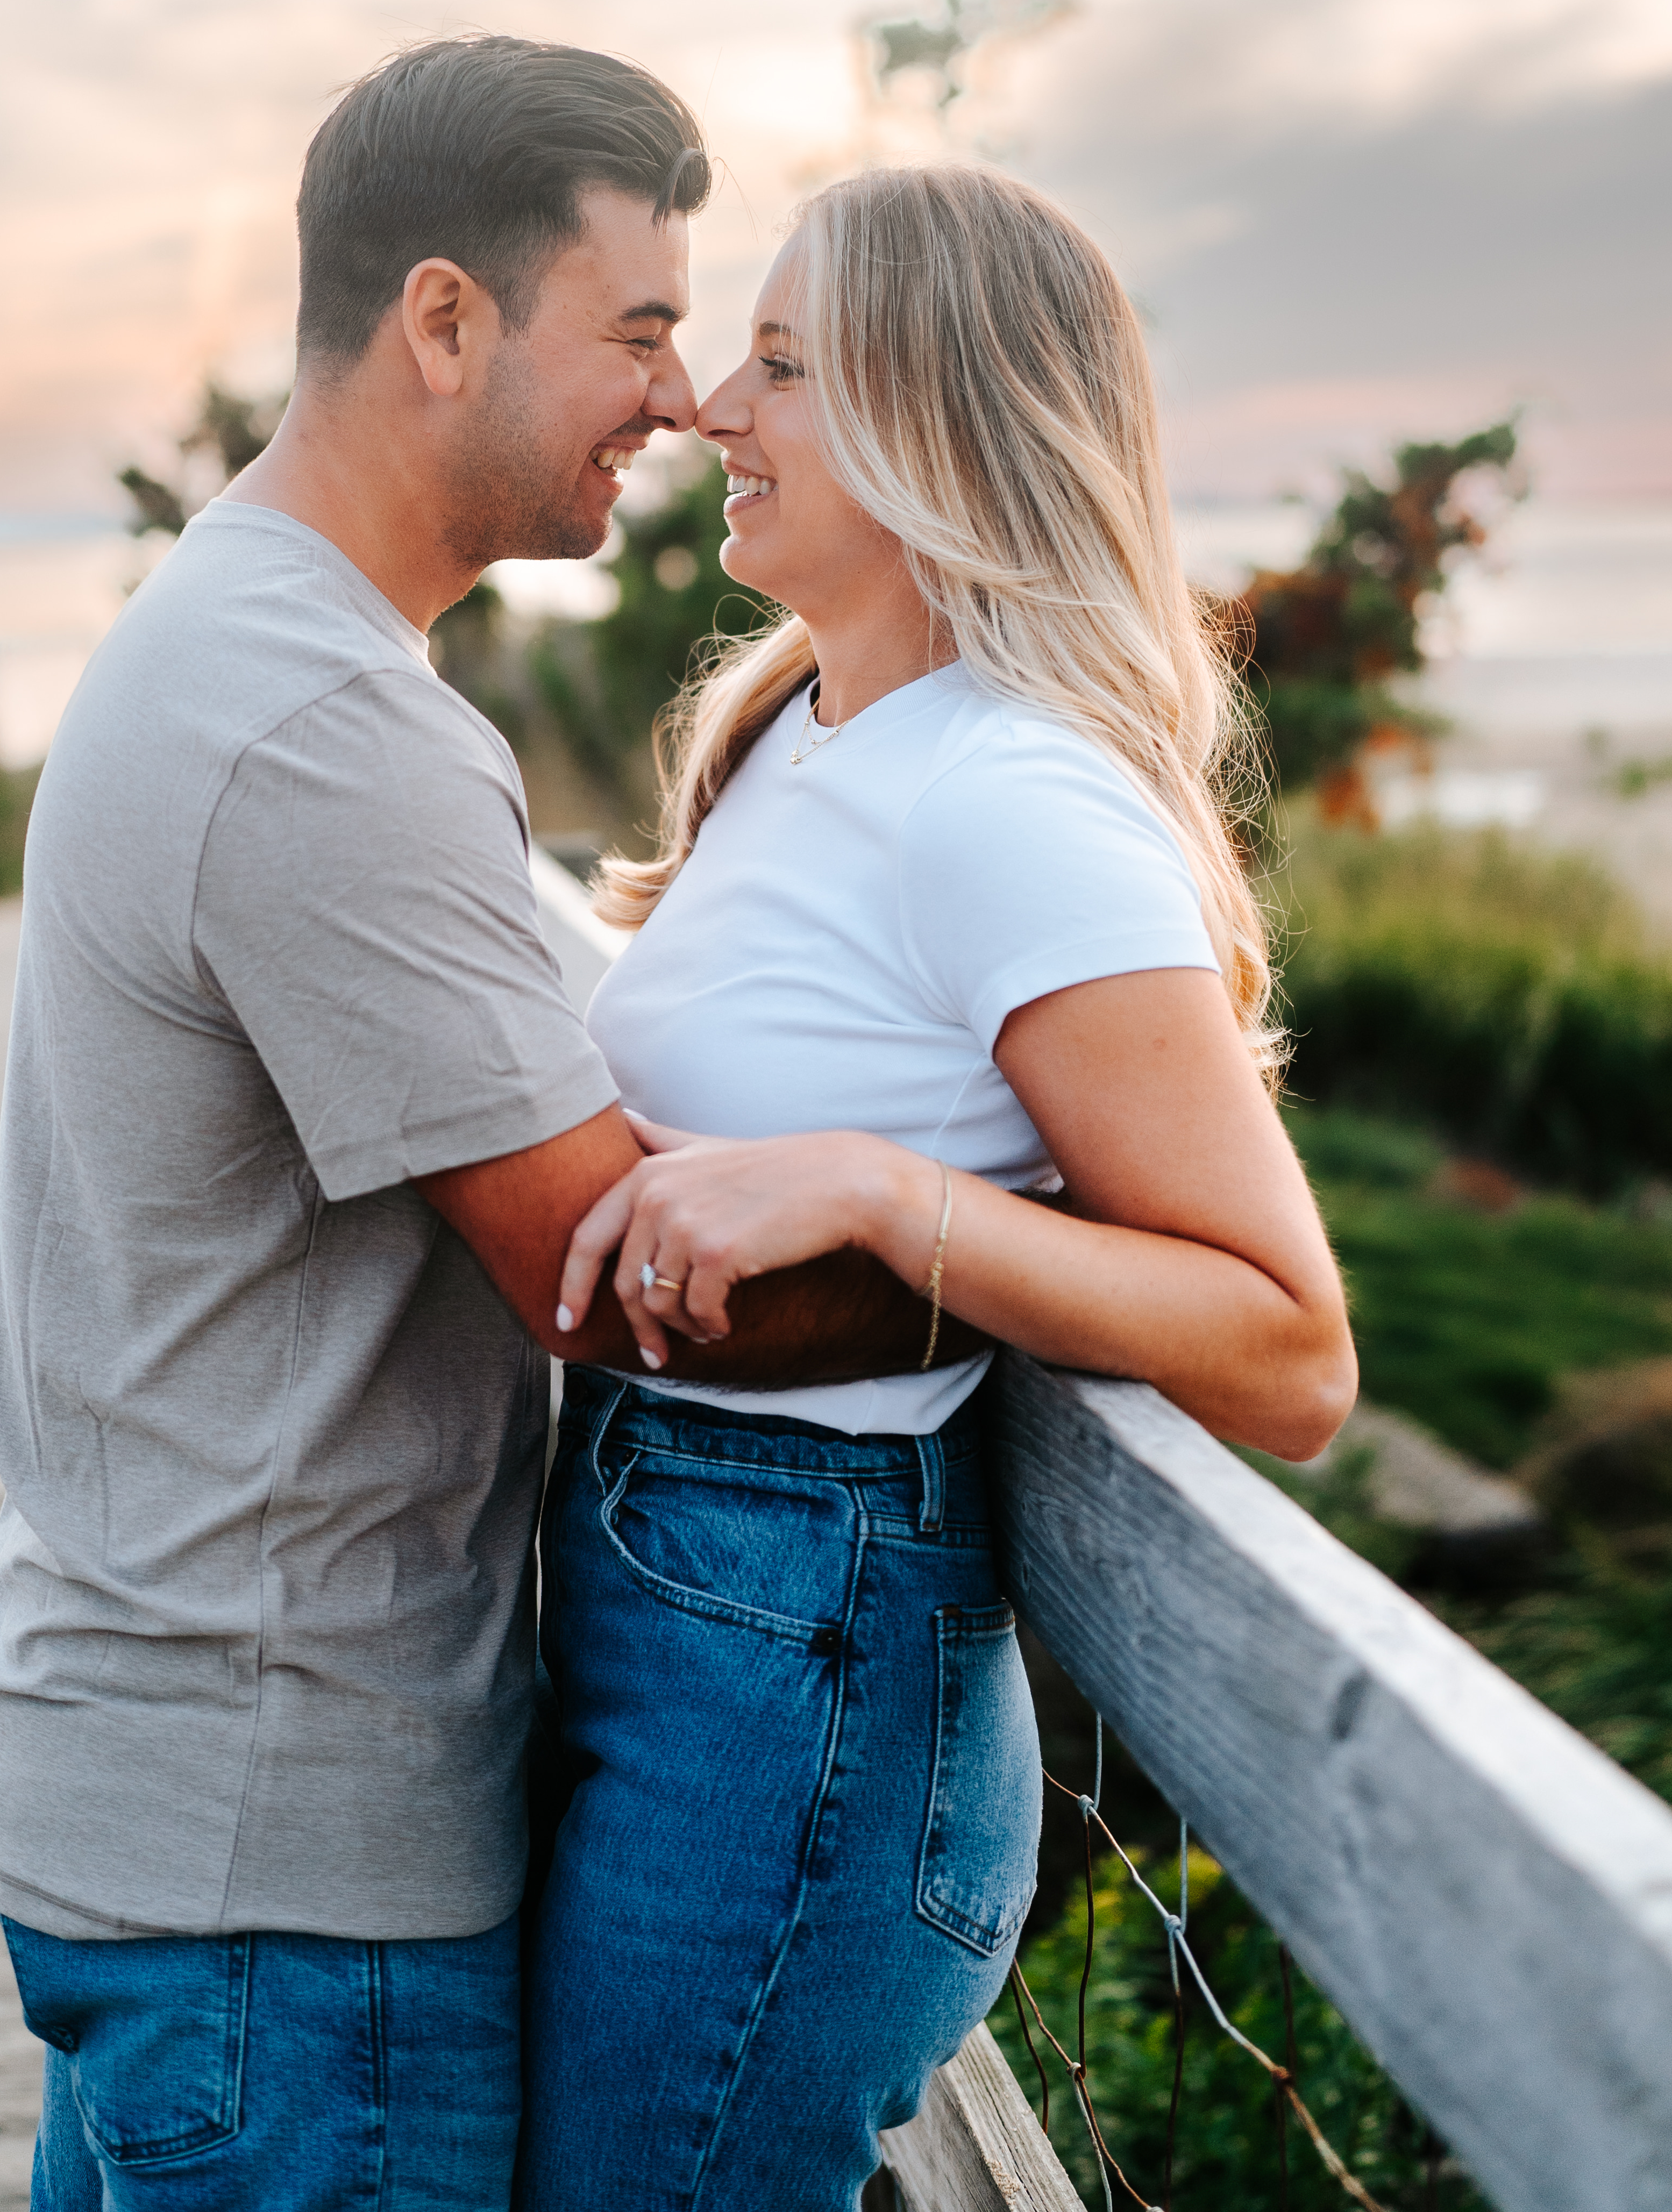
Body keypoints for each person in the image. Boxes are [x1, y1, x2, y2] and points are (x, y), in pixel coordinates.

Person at [0, 37, 931, 2212]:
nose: (681, 402)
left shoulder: (243, 639)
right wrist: (1048, 1260)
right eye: (644, 328)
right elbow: (614, 1286)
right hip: (279, 1873)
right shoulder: (317, 722)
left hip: (173, 1805)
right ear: (443, 321)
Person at [518, 162, 1357, 2212]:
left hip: (793, 1661)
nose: (715, 405)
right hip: (664, 1586)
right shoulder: (797, 724)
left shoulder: (1013, 799)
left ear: (947, 423)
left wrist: (893, 1200)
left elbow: (1288, 1345)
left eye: (785, 365)